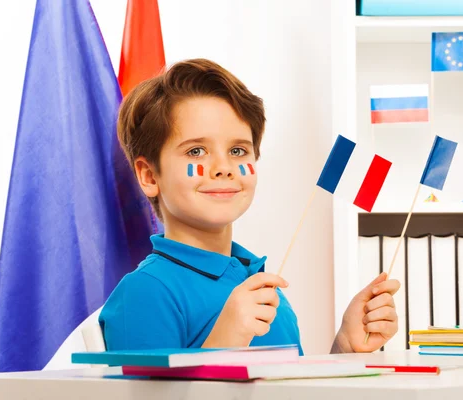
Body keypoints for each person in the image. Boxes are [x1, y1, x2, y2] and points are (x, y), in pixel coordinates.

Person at [99, 58, 400, 355]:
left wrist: (344, 348)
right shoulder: (144, 294)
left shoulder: (258, 285)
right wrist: (225, 342)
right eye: (196, 151)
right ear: (150, 176)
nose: (223, 167)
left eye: (238, 150)